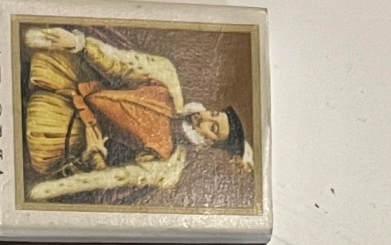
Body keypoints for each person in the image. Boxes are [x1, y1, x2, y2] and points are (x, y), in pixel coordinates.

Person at [20, 26, 250, 202]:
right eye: (213, 114)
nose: (205, 118)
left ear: (207, 142)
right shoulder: (167, 82)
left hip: (69, 131)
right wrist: (78, 44)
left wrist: (95, 154)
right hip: (71, 81)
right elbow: (119, 64)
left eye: (213, 127)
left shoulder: (164, 160)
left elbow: (110, 182)